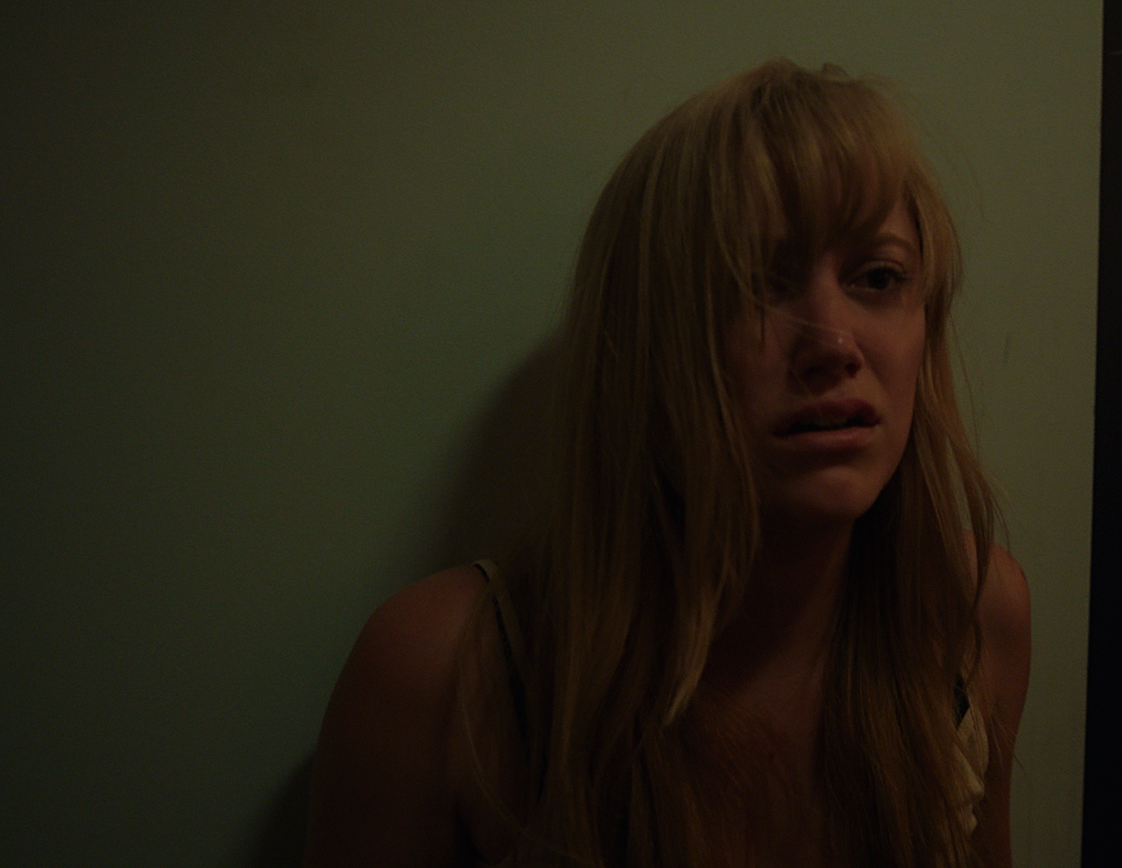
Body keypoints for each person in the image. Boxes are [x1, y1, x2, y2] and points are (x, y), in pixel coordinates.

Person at [302, 59, 1031, 868]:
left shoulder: (969, 615)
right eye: (752, 282)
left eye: (879, 277)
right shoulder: (442, 676)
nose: (833, 344)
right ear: (647, 345)